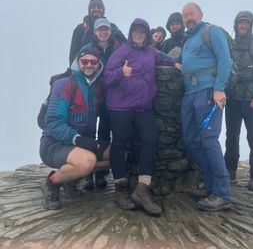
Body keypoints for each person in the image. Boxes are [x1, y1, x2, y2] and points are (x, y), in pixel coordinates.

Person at [104, 18, 177, 216]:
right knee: (119, 143)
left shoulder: (151, 52)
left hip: (143, 107)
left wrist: (176, 63)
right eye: (135, 32)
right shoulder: (121, 53)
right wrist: (121, 72)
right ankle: (120, 189)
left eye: (142, 32)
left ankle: (142, 188)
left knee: (151, 141)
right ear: (130, 33)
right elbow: (107, 78)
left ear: (146, 35)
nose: (138, 35)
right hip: (120, 107)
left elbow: (163, 59)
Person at [39, 48, 110, 210]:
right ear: (78, 62)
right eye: (85, 61)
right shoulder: (64, 84)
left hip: (83, 144)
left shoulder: (98, 87)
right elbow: (53, 121)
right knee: (87, 162)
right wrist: (77, 139)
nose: (89, 65)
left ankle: (69, 178)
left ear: (99, 65)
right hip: (54, 145)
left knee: (120, 154)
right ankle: (52, 183)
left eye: (94, 62)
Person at [180, 2, 232, 211]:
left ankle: (222, 192)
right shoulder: (188, 40)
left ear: (200, 14)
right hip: (189, 94)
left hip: (208, 92)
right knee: (191, 140)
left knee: (209, 139)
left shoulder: (213, 31)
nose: (188, 18)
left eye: (191, 14)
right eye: (185, 16)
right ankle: (210, 185)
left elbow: (224, 60)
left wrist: (219, 88)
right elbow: (179, 60)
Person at [71, 17, 122, 190]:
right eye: (100, 30)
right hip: (92, 95)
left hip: (112, 96)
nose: (103, 32)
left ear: (110, 31)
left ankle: (100, 173)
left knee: (105, 132)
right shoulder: (87, 49)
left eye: (106, 29)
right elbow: (75, 70)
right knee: (87, 132)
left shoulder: (118, 47)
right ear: (94, 32)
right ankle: (86, 175)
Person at [224, 11, 253, 191]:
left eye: (246, 23)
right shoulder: (230, 46)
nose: (242, 26)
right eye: (240, 23)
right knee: (231, 136)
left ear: (250, 25)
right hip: (233, 99)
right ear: (235, 25)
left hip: (252, 100)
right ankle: (230, 171)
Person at [69, 0, 126, 66]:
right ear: (89, 10)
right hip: (87, 69)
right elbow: (73, 54)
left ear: (103, 11)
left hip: (110, 70)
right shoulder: (81, 29)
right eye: (93, 7)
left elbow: (125, 45)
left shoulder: (112, 27)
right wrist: (73, 72)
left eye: (99, 7)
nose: (96, 9)